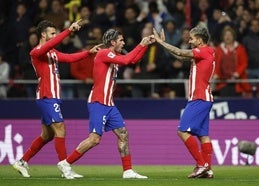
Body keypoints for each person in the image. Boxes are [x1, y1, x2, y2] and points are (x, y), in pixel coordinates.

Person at [57, 28, 155, 179]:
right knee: (94, 139)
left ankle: (128, 171)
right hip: (98, 102)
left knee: (123, 134)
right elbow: (127, 60)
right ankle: (66, 163)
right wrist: (141, 44)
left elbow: (133, 60)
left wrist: (146, 45)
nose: (123, 43)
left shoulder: (113, 55)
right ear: (112, 42)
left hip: (109, 104)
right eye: (121, 40)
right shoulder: (104, 53)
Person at [12, 19, 102, 178]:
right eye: (52, 33)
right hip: (47, 96)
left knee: (47, 135)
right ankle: (64, 166)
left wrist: (89, 52)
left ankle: (22, 162)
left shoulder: (52, 52)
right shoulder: (36, 52)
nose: (54, 36)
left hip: (53, 96)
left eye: (55, 33)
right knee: (60, 127)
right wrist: (69, 30)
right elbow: (48, 46)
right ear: (43, 34)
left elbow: (69, 58)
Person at [153, 25, 215, 178]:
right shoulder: (206, 52)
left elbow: (181, 52)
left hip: (199, 98)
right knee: (203, 135)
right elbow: (181, 56)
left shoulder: (204, 51)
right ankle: (208, 170)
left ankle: (201, 165)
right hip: (205, 98)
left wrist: (161, 43)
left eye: (192, 38)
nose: (189, 40)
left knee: (182, 131)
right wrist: (166, 46)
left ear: (200, 40)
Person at [213, 26, 251, 97]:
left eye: (230, 35)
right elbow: (214, 64)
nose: (228, 37)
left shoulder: (240, 48)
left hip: (237, 82)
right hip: (222, 82)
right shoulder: (218, 50)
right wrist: (215, 73)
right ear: (223, 37)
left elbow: (244, 63)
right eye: (226, 35)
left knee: (237, 104)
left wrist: (237, 73)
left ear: (233, 36)